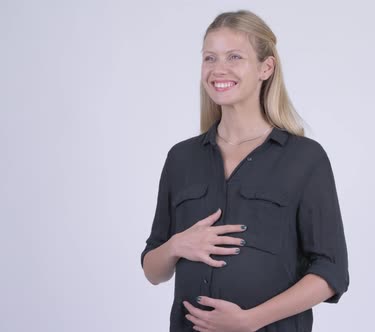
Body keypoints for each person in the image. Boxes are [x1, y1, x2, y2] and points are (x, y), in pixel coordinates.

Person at [140, 9, 349, 332]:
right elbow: (153, 270)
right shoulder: (181, 158)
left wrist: (250, 320)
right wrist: (178, 245)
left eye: (234, 57)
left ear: (266, 67)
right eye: (210, 58)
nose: (218, 69)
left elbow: (332, 273)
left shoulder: (305, 158)